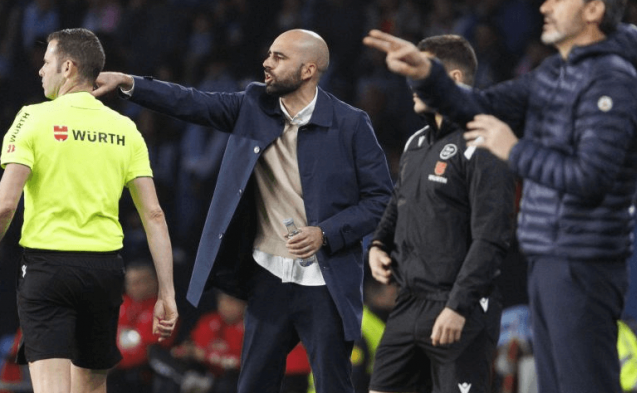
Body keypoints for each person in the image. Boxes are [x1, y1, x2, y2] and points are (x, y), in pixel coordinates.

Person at [363, 0, 637, 392]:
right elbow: (479, 105)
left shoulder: (614, 81)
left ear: (593, 9)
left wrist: (513, 149)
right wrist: (429, 76)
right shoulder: (553, 74)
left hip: (584, 262)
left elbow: (591, 177)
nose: (544, 5)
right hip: (546, 258)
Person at [93, 29, 393, 393]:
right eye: (269, 54)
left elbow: (380, 199)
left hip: (324, 283)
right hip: (268, 278)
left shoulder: (350, 123)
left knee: (333, 385)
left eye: (279, 57)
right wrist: (131, 83)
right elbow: (192, 102)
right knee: (252, 385)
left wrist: (325, 232)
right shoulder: (254, 105)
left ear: (308, 69)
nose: (267, 63)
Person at [0, 28, 178, 393]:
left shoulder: (30, 117)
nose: (40, 70)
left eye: (46, 62)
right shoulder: (125, 128)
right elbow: (154, 215)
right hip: (104, 271)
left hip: (47, 269)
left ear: (68, 67)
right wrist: (167, 291)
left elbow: (4, 205)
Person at [366, 35, 516, 393]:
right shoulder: (416, 143)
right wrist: (377, 243)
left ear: (454, 80)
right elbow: (398, 200)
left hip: (458, 308)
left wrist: (458, 306)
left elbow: (492, 236)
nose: (411, 82)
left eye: (421, 71)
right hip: (408, 303)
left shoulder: (484, 140)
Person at [108, 262, 177, 393]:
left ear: (154, 281)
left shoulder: (164, 308)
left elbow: (148, 350)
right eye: (130, 282)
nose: (134, 287)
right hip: (113, 366)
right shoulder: (120, 303)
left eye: (140, 282)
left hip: (141, 373)